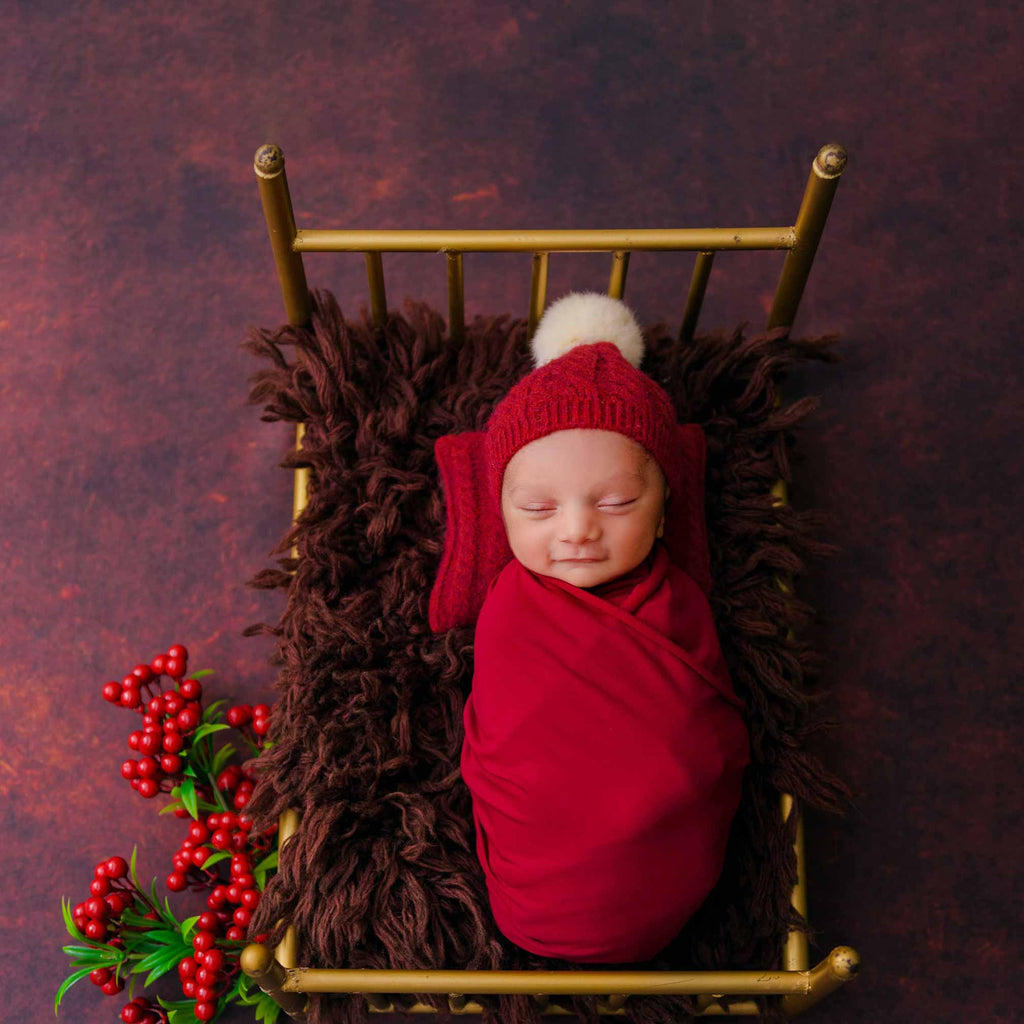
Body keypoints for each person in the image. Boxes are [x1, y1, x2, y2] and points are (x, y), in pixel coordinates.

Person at [460, 292, 751, 964]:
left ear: (664, 504)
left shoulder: (678, 598)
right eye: (537, 506)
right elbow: (505, 737)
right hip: (538, 884)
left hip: (663, 873)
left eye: (617, 502)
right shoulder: (509, 605)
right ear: (499, 511)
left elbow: (700, 735)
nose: (577, 530)